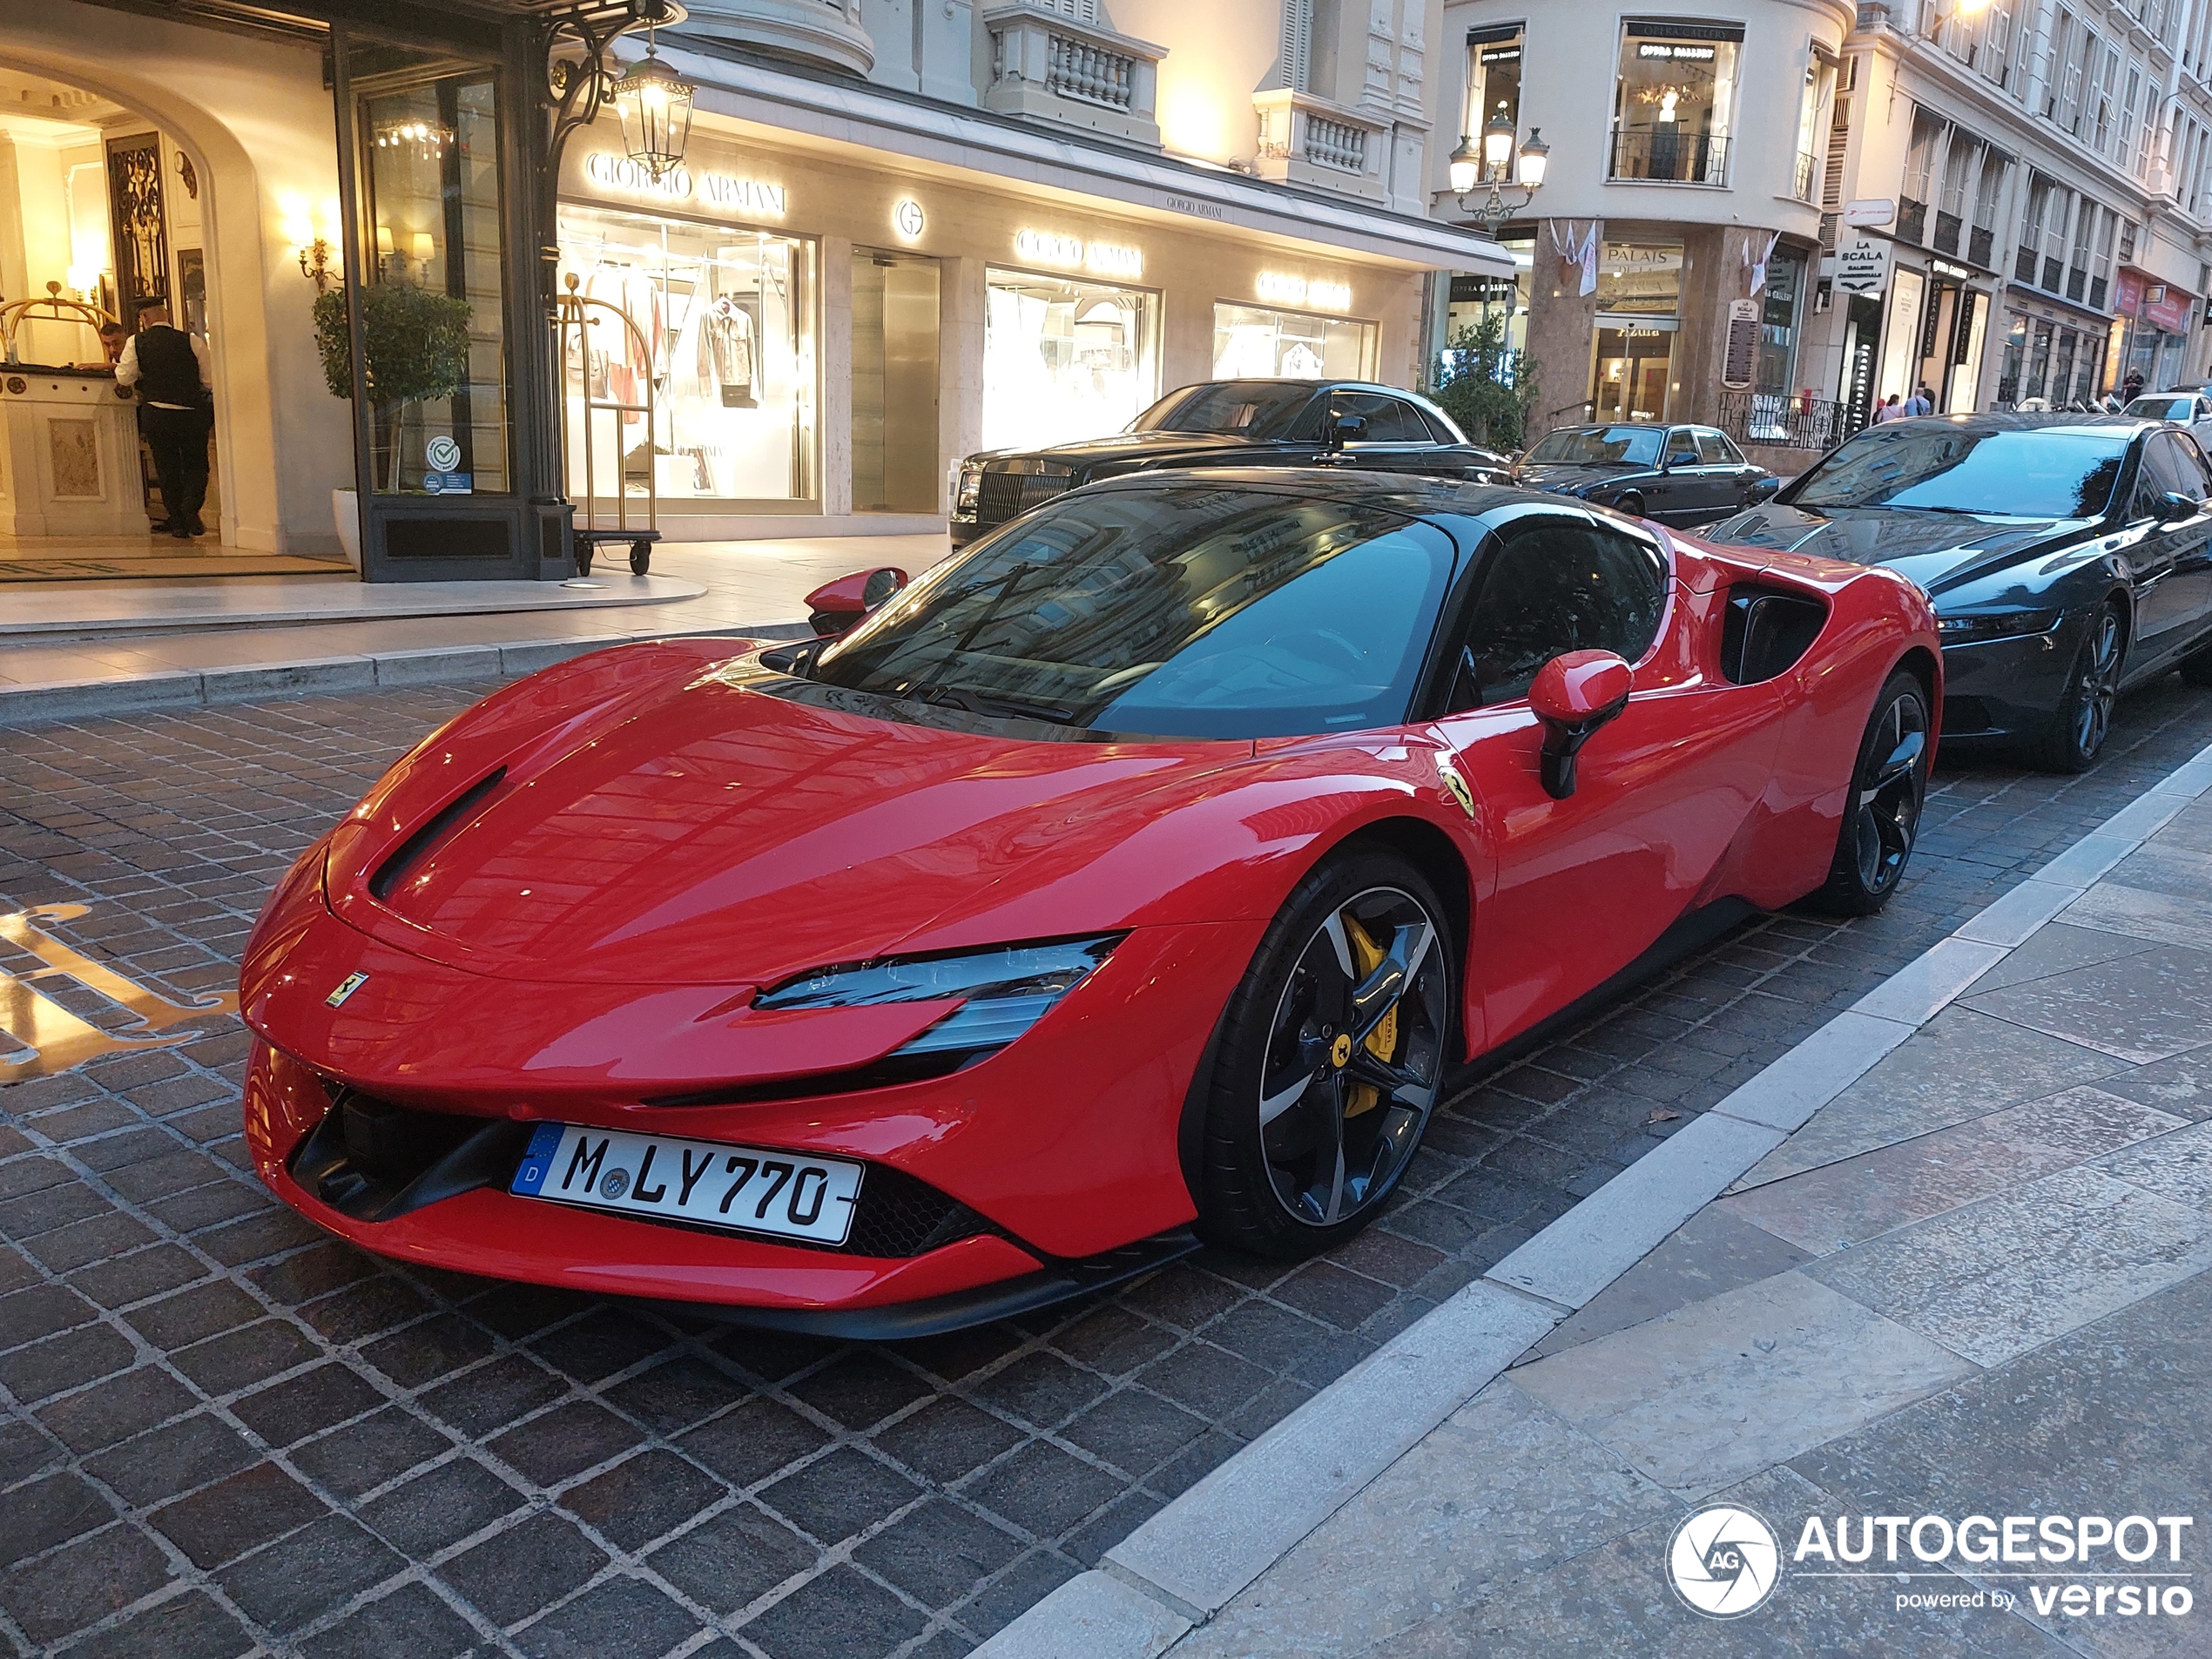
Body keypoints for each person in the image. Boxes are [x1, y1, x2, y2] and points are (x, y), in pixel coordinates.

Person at [114, 297, 213, 539]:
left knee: (167, 467)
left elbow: (124, 377)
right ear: (166, 314)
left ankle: (178, 521)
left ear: (144, 318)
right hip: (191, 414)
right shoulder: (191, 340)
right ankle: (191, 509)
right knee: (196, 464)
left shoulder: (136, 342)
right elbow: (209, 380)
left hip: (157, 412)